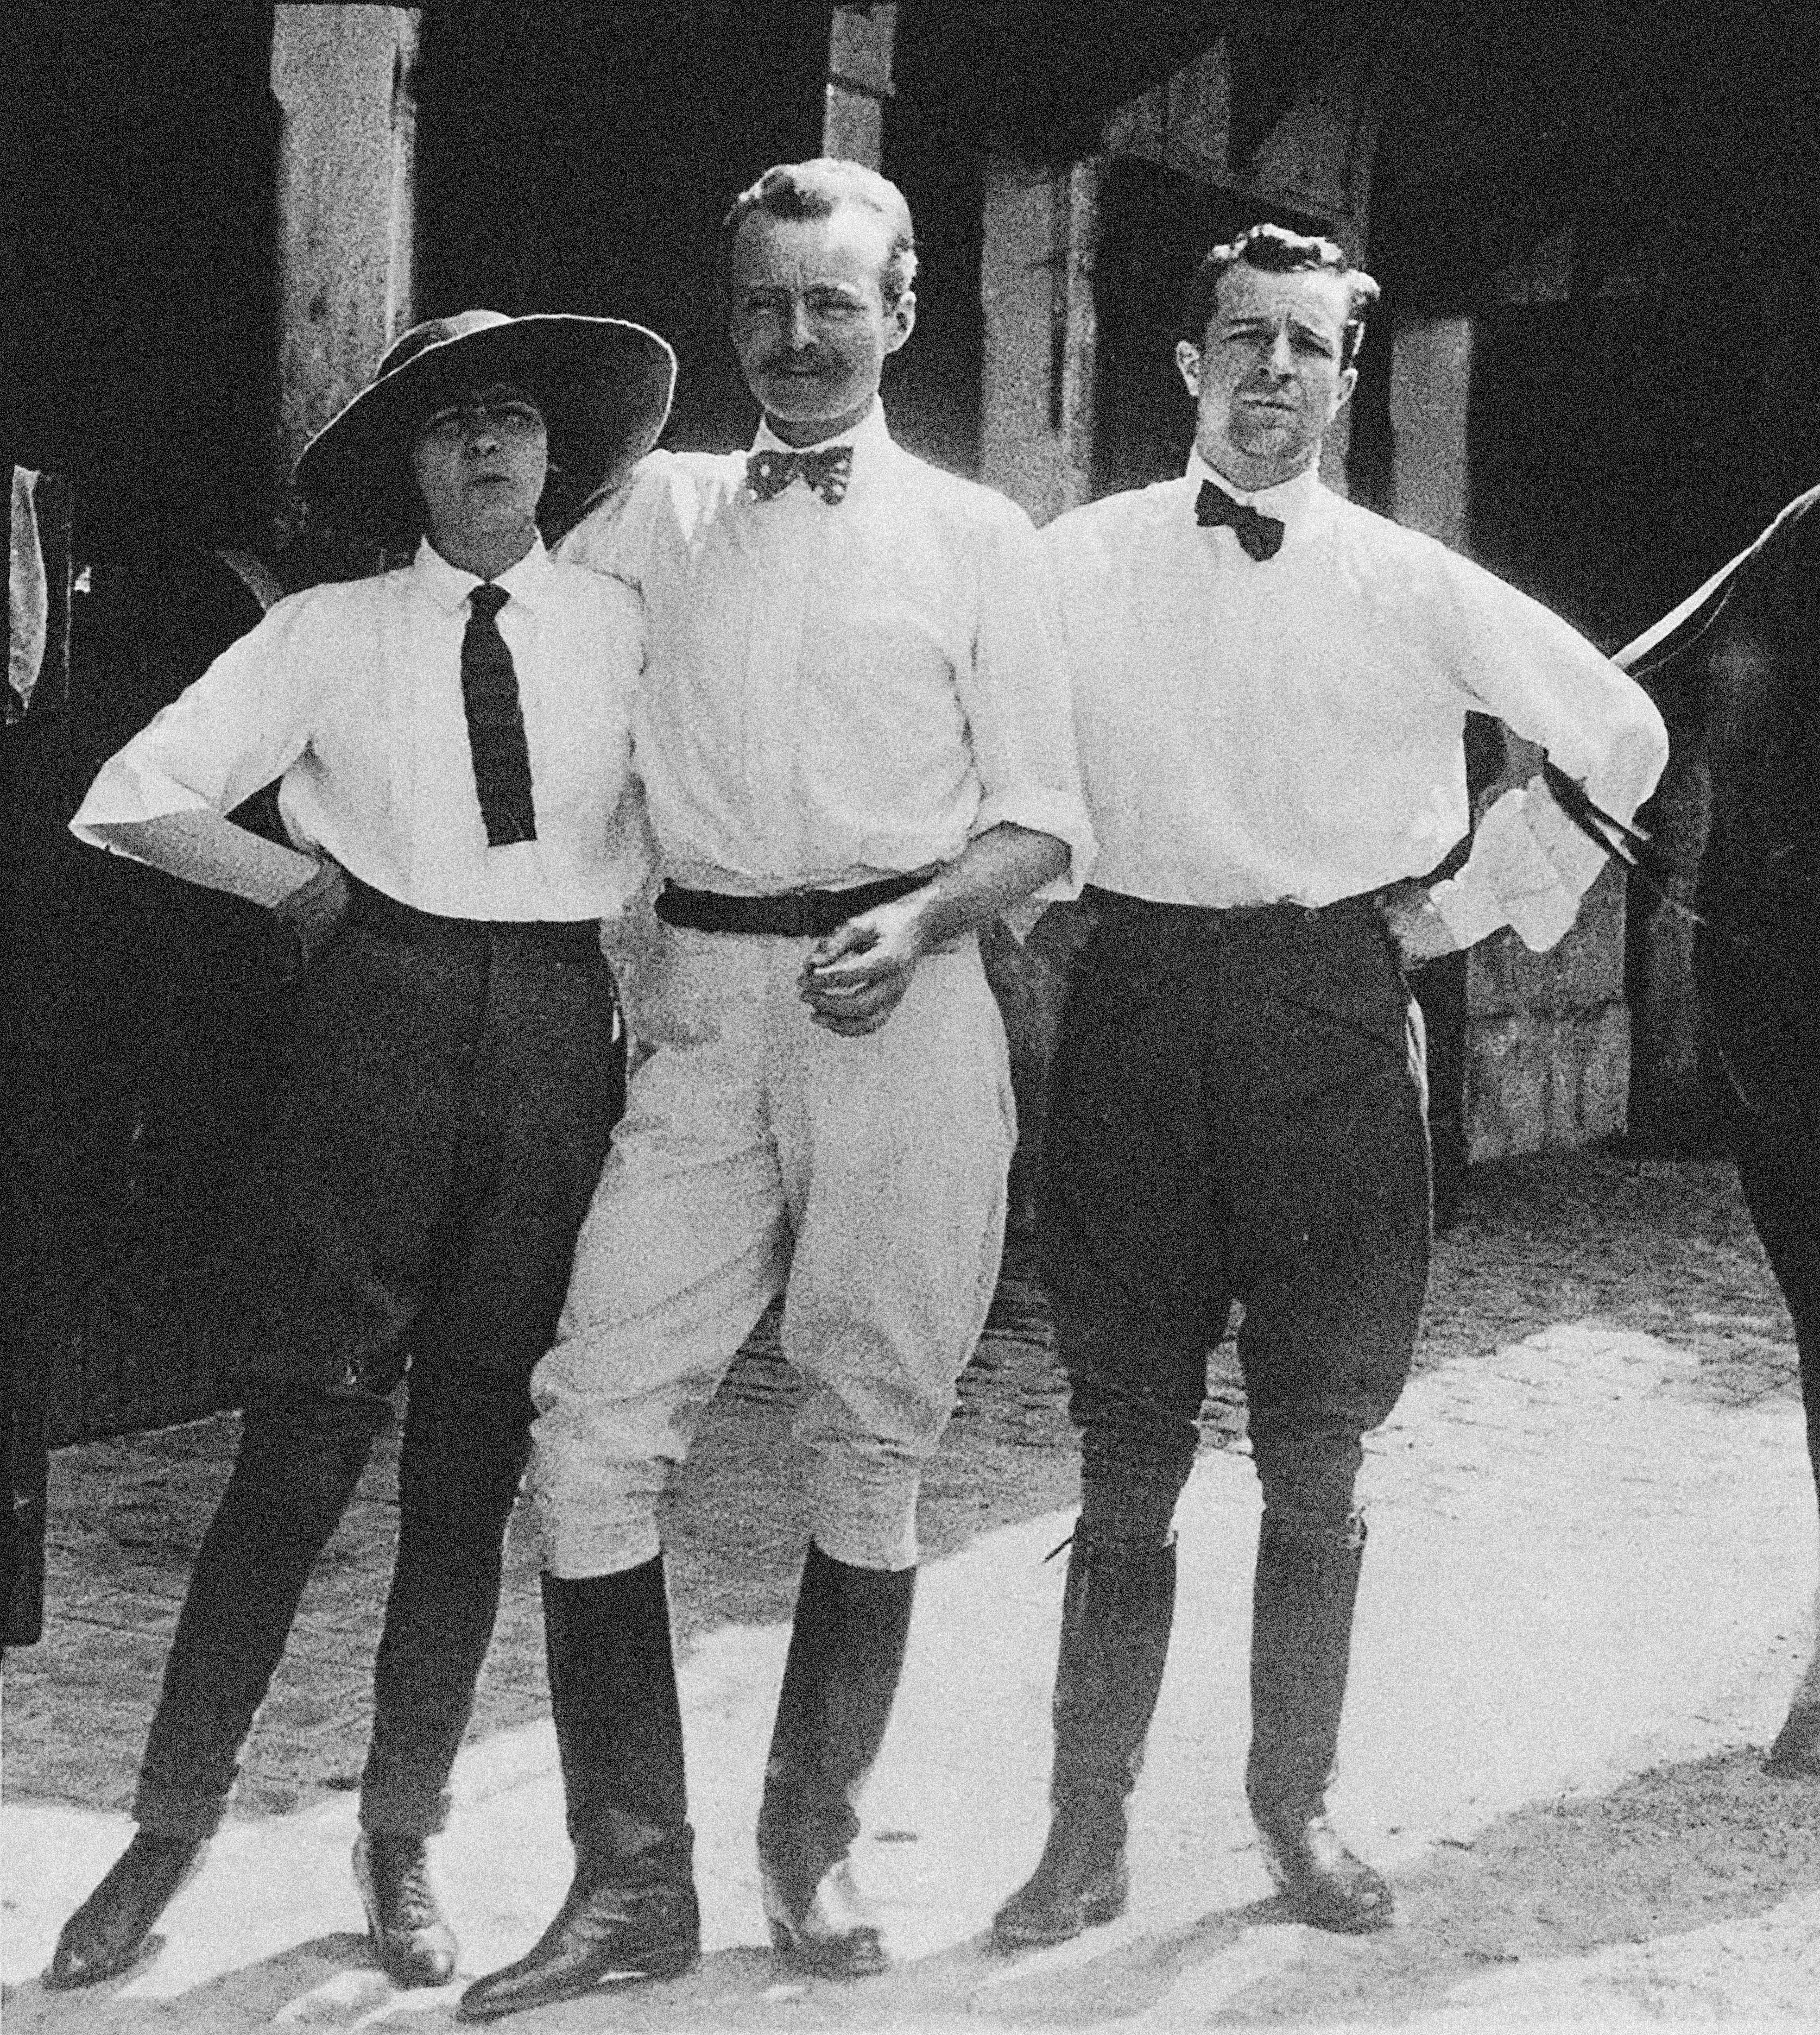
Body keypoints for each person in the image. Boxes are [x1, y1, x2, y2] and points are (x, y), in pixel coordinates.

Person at [457, 159, 1090, 2023]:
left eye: (832, 303)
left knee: (869, 1424)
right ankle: (628, 1879)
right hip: (702, 1010)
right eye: (764, 304)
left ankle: (809, 1839)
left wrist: (923, 919)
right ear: (728, 317)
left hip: (908, 1001)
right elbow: (514, 656)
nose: (797, 339)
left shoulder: (980, 536)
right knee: (592, 1421)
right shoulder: (650, 513)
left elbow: (1045, 819)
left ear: (902, 312)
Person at [993, 225, 1668, 1946]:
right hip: (1136, 1010)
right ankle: (1083, 1832)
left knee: (1317, 1447)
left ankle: (1293, 1809)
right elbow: (971, 748)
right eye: (1244, 337)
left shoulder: (1408, 582)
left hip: (1334, 1022)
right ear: (1187, 366)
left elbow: (1621, 730)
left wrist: (1463, 909)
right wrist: (1042, 912)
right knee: (1124, 1441)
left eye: (1306, 343)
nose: (1274, 370)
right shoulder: (1069, 563)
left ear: (1349, 379)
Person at [44, 308, 674, 1990]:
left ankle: (402, 1835)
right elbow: (131, 790)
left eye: (512, 416)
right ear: (410, 462)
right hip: (372, 1031)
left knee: (470, 1461)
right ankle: (166, 1828)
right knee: (297, 1448)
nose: (486, 448)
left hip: (555, 1035)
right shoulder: (327, 630)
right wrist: (302, 889)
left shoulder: (626, 630)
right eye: (449, 423)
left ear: (555, 449)